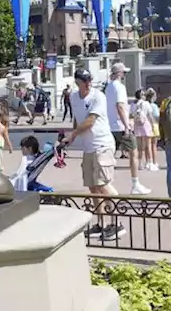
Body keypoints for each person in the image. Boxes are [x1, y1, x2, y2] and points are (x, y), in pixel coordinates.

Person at [65, 68, 125, 240]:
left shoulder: (98, 96)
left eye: (89, 80)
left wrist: (73, 134)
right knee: (92, 187)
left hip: (102, 145)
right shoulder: (74, 97)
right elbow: (77, 119)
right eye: (85, 80)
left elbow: (90, 121)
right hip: (88, 147)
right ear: (78, 82)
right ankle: (100, 224)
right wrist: (70, 136)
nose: (89, 83)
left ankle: (117, 223)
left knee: (102, 184)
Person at [105, 62, 149, 195]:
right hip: (120, 125)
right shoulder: (120, 87)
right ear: (119, 73)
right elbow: (120, 106)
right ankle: (135, 183)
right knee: (133, 153)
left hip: (110, 125)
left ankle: (108, 182)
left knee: (110, 155)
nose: (125, 75)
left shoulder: (108, 87)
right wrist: (126, 126)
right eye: (124, 72)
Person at [131, 89, 157, 172]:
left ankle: (139, 163)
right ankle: (149, 163)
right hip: (145, 125)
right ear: (142, 96)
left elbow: (131, 115)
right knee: (148, 145)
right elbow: (150, 115)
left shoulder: (133, 105)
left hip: (137, 125)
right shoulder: (146, 103)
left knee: (139, 146)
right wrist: (153, 125)